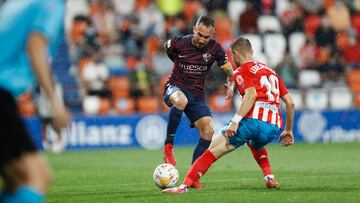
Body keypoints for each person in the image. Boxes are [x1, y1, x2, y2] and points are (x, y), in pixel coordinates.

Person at [163, 37, 295, 194]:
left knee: (211, 150)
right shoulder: (270, 71)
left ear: (235, 54)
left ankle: (183, 187)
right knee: (254, 142)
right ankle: (269, 177)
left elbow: (251, 95)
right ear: (251, 52)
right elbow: (290, 102)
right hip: (274, 127)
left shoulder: (241, 70)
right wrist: (288, 130)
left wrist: (235, 122)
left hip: (252, 122)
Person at [0, 0, 70, 202]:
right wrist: (55, 103)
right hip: (1, 91)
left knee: (16, 182)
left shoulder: (18, 4)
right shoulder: (51, 5)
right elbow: (35, 46)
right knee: (35, 178)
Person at [162, 15, 235, 188]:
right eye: (199, 34)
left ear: (212, 35)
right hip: (174, 87)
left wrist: (231, 85)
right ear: (194, 29)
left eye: (206, 37)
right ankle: (168, 148)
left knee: (208, 131)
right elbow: (167, 48)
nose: (202, 39)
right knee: (180, 101)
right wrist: (178, 63)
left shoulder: (215, 49)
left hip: (197, 95)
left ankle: (193, 175)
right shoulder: (178, 42)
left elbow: (230, 71)